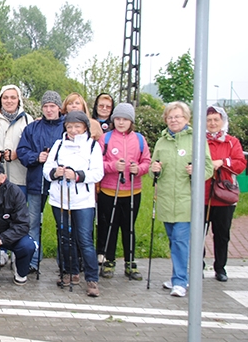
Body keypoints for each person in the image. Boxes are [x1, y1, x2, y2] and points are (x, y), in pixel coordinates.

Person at [150, 101, 213, 297]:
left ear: (186, 118)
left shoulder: (196, 139)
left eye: (177, 116)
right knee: (173, 240)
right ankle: (178, 275)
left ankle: (180, 281)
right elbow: (154, 170)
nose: (173, 120)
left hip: (187, 200)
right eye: (170, 117)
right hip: (166, 200)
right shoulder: (162, 141)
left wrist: (196, 171)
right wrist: (155, 170)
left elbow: (208, 168)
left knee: (180, 240)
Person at [43, 111, 104, 297]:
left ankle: (92, 279)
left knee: (84, 239)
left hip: (83, 201)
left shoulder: (92, 146)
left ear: (85, 127)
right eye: (69, 126)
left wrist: (77, 176)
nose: (73, 130)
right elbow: (47, 170)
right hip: (59, 198)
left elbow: (97, 173)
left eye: (77, 126)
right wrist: (56, 172)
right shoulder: (58, 144)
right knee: (64, 236)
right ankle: (70, 272)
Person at [97, 103, 151, 280]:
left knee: (129, 228)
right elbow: (97, 163)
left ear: (131, 121)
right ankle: (109, 260)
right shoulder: (105, 139)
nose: (121, 122)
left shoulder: (140, 140)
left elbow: (146, 161)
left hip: (132, 191)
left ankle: (130, 262)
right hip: (109, 190)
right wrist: (113, 166)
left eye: (125, 119)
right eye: (118, 119)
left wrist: (139, 169)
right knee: (110, 227)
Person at [17, 90, 65, 272]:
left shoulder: (67, 127)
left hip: (61, 186)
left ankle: (65, 262)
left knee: (63, 225)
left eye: (52, 106)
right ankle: (33, 260)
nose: (49, 110)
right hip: (37, 183)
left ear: (59, 107)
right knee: (32, 223)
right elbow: (22, 151)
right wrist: (37, 157)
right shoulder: (33, 128)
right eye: (45, 106)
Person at [204, 106, 246, 282]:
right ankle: (198, 265)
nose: (213, 123)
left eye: (216, 120)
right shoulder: (199, 140)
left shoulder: (231, 142)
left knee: (222, 234)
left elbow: (240, 164)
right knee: (199, 233)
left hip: (224, 195)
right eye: (209, 120)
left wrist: (222, 162)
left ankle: (220, 267)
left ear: (222, 122)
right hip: (203, 195)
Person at [0, 84, 33, 196]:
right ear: (1, 99)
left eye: (13, 97)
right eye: (5, 97)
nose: (9, 101)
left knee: (18, 210)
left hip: (20, 176)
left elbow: (33, 145)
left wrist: (17, 153)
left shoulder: (28, 120)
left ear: (18, 100)